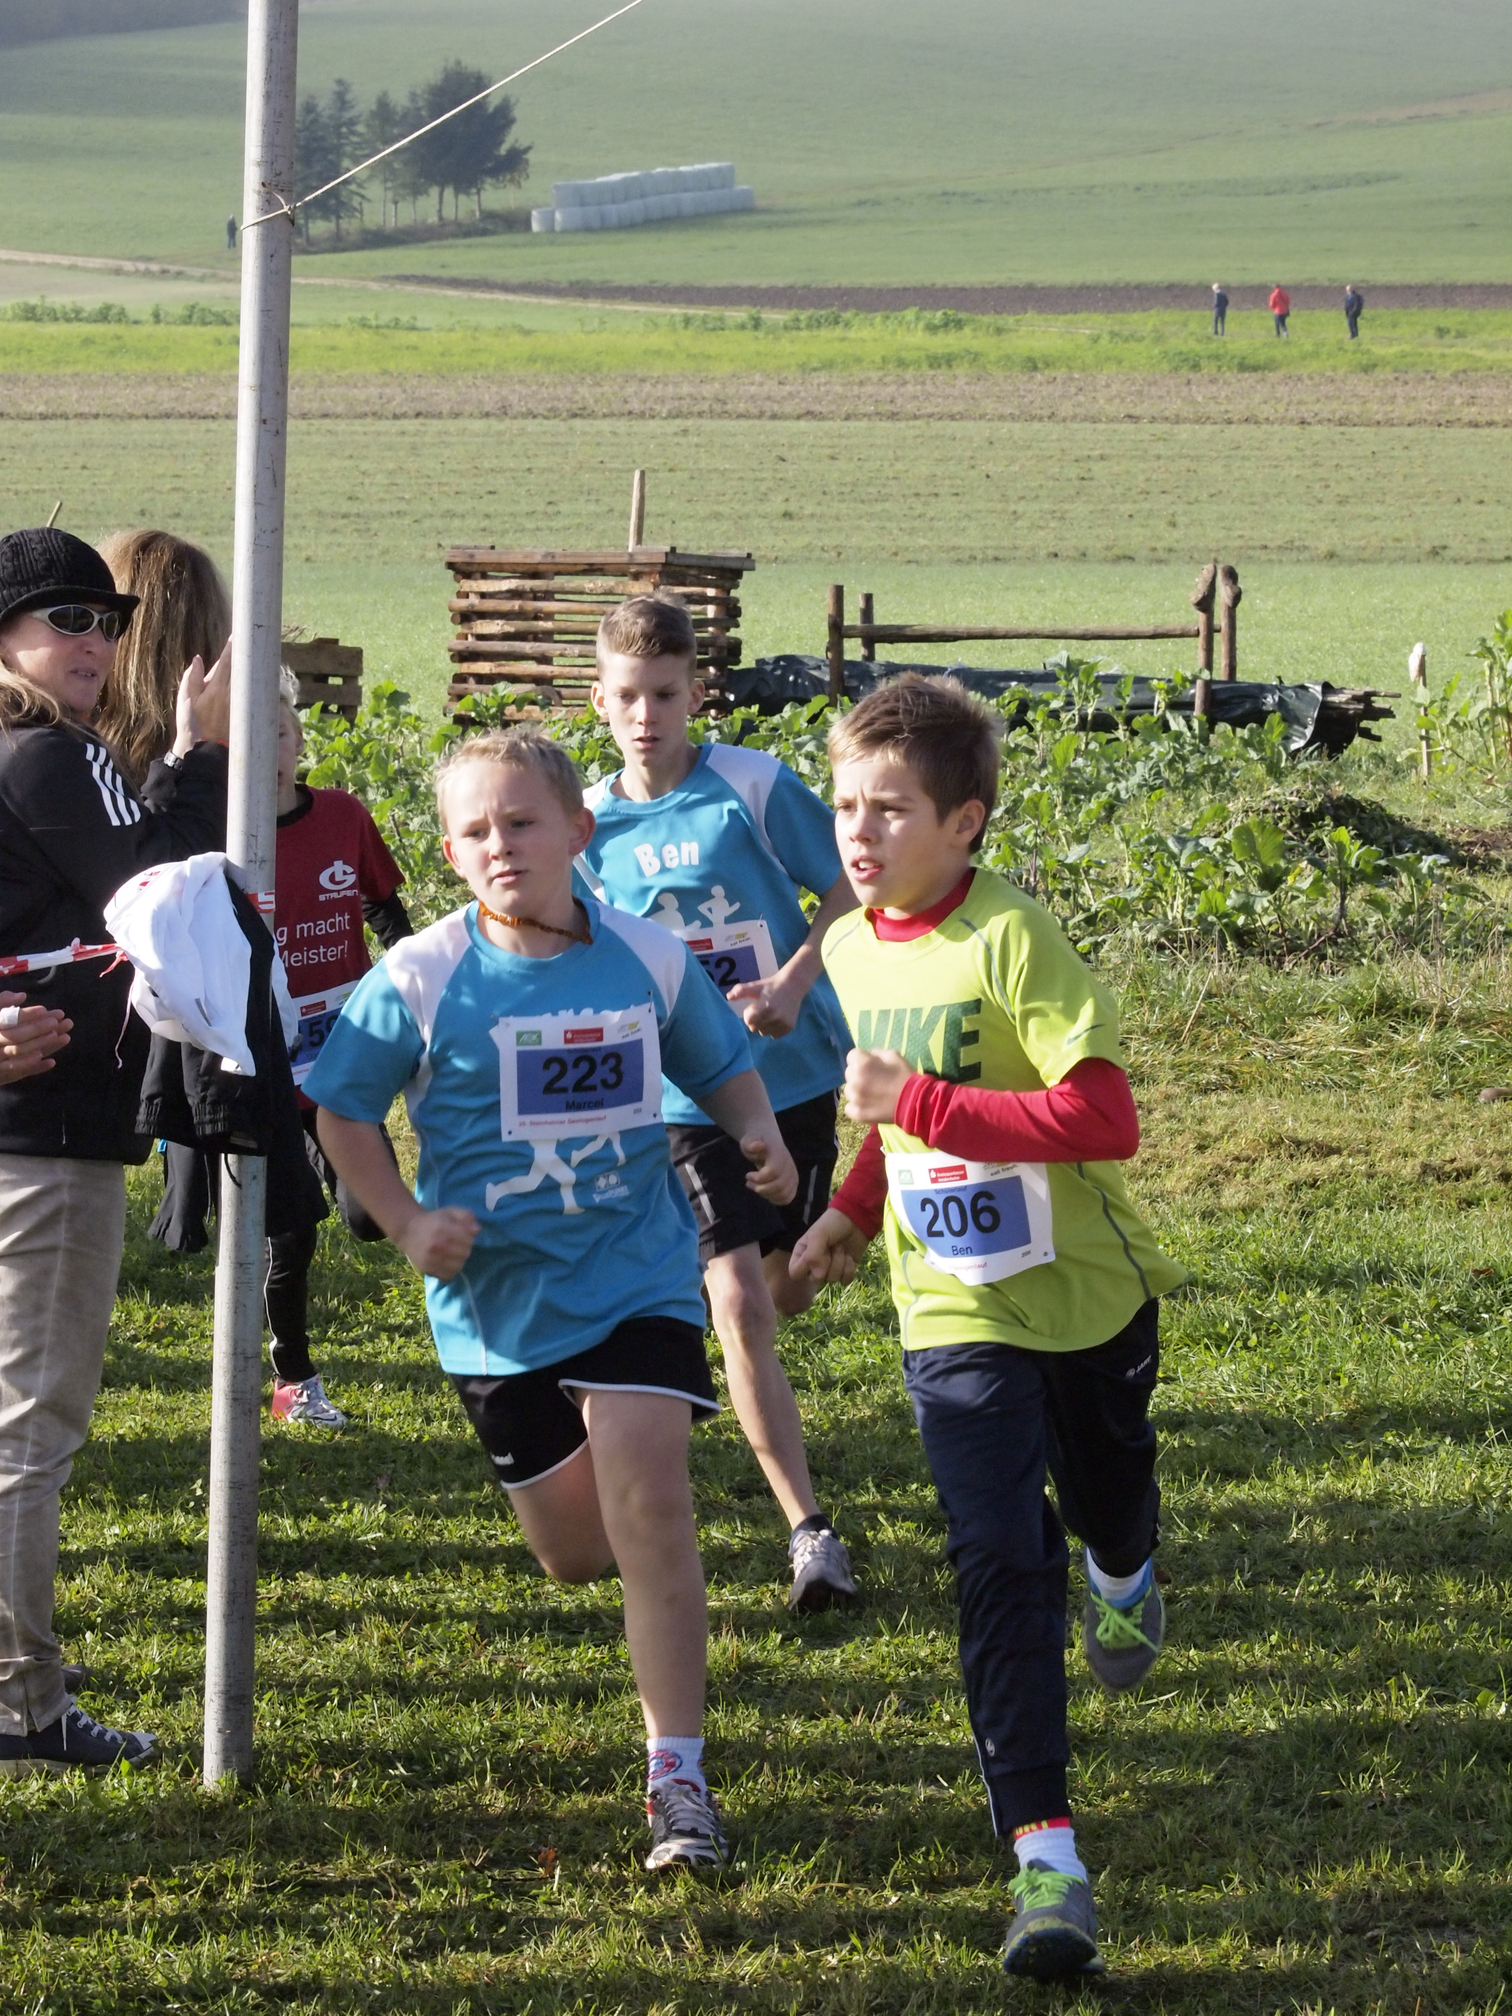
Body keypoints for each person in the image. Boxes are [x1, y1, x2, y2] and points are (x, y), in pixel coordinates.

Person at [306, 727, 798, 1871]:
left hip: (637, 1274)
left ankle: (678, 1780)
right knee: (579, 1553)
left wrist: (759, 1131)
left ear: (579, 831)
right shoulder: (421, 975)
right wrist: (404, 1219)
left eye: (523, 822)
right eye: (476, 830)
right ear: (448, 853)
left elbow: (718, 1061)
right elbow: (341, 1111)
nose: (501, 845)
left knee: (652, 1503)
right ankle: (642, 1582)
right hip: (495, 1309)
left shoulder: (646, 957)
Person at [791, 674, 1186, 1981]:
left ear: (963, 823)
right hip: (950, 1308)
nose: (859, 833)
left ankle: (1123, 1569)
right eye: (846, 806)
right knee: (998, 1557)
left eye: (890, 809)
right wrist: (850, 1214)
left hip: (1086, 1296)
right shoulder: (851, 947)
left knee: (1107, 1497)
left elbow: (1104, 1119)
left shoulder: (1013, 938)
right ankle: (1046, 1863)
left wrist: (919, 1104)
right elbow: (891, 1123)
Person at [575, 594, 860, 1610]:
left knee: (787, 1285)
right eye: (627, 697)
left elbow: (850, 886)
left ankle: (705, 1329)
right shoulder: (585, 825)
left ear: (696, 693)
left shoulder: (751, 784)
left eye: (664, 695)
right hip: (680, 1098)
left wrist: (790, 981)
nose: (645, 716)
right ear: (598, 700)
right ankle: (810, 1533)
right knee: (739, 1304)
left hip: (796, 1074)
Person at [0, 525, 230, 1777]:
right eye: (64, 619)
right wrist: (204, 758)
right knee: (29, 1432)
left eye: (108, 619)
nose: (94, 641)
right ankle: (21, 1706)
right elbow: (167, 895)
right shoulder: (52, 753)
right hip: (42, 1140)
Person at [264, 669, 412, 1425]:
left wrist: (420, 977)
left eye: (279, 734)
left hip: (341, 1060)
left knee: (370, 1216)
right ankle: (293, 1378)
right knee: (290, 1234)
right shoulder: (225, 839)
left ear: (299, 740)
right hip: (262, 1068)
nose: (269, 752)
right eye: (251, 739)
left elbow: (387, 911)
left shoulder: (343, 817)